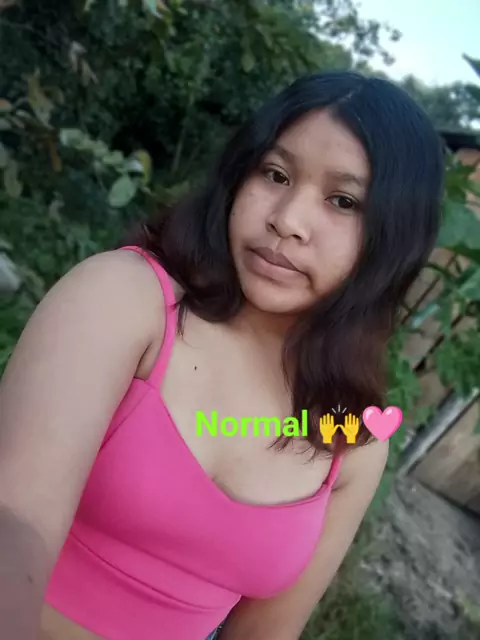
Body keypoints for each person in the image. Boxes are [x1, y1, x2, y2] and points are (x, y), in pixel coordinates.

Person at [0, 70, 444, 640]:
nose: (287, 220)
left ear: (393, 241)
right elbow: (15, 522)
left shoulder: (354, 438)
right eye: (276, 174)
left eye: (343, 200)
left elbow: (266, 634)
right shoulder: (125, 299)